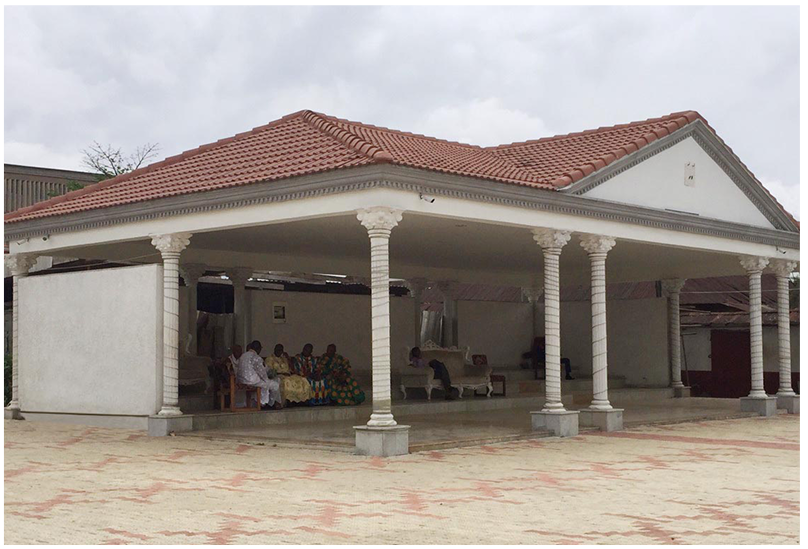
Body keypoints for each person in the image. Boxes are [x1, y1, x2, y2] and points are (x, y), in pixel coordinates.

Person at [236, 340, 282, 410]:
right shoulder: (256, 357)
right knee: (274, 384)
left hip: (241, 380)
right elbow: (262, 373)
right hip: (251, 381)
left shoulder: (243, 355)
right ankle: (269, 404)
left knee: (265, 383)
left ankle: (263, 403)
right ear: (258, 349)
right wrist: (267, 379)